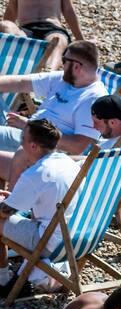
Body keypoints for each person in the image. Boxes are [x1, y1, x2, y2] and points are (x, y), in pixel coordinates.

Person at [0, 39, 106, 185]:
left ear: (76, 66)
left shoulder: (93, 98)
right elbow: (21, 82)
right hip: (25, 130)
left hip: (42, 148)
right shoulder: (64, 80)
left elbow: (78, 147)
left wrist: (31, 127)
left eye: (64, 60)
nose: (62, 64)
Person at [0, 119, 76, 260]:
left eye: (23, 139)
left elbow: (3, 213)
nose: (20, 142)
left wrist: (4, 202)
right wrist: (13, 197)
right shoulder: (69, 163)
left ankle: (2, 277)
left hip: (48, 244)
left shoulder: (36, 173)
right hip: (75, 238)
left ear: (34, 146)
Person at [0, 0, 83, 70]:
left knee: (58, 40)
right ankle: (12, 65)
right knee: (5, 25)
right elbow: (11, 10)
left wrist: (81, 40)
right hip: (26, 30)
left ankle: (47, 72)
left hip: (52, 29)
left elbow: (68, 11)